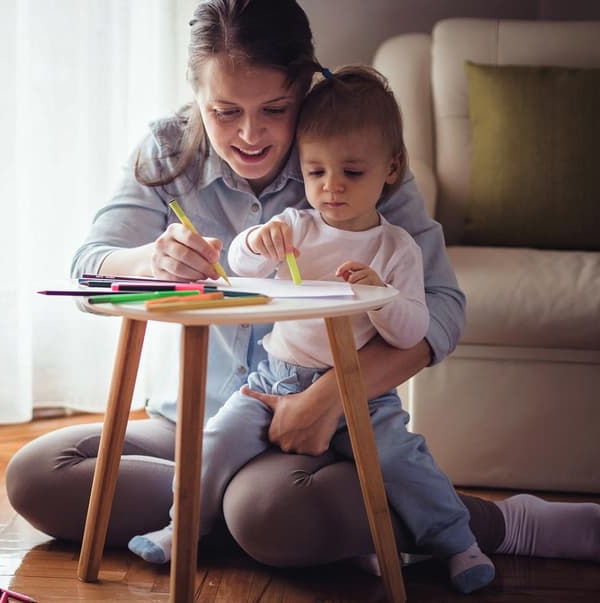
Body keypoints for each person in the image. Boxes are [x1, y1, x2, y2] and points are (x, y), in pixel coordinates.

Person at [7, 0, 600, 577]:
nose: (250, 136)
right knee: (38, 475)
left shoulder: (350, 153)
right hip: (198, 423)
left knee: (270, 515)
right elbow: (90, 261)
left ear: (305, 89)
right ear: (196, 97)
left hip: (311, 429)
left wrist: (335, 395)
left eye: (274, 111)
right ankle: (232, 513)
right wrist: (151, 256)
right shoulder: (170, 153)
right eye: (225, 112)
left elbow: (442, 306)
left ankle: (498, 524)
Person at [127, 65, 494, 594]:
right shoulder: (297, 226)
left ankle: (460, 542)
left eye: (351, 172)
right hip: (272, 379)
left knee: (402, 459)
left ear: (391, 169)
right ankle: (182, 526)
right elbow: (241, 266)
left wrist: (377, 296)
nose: (332, 188)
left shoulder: (396, 248)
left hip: (358, 398)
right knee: (214, 442)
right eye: (316, 173)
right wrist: (257, 244)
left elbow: (413, 327)